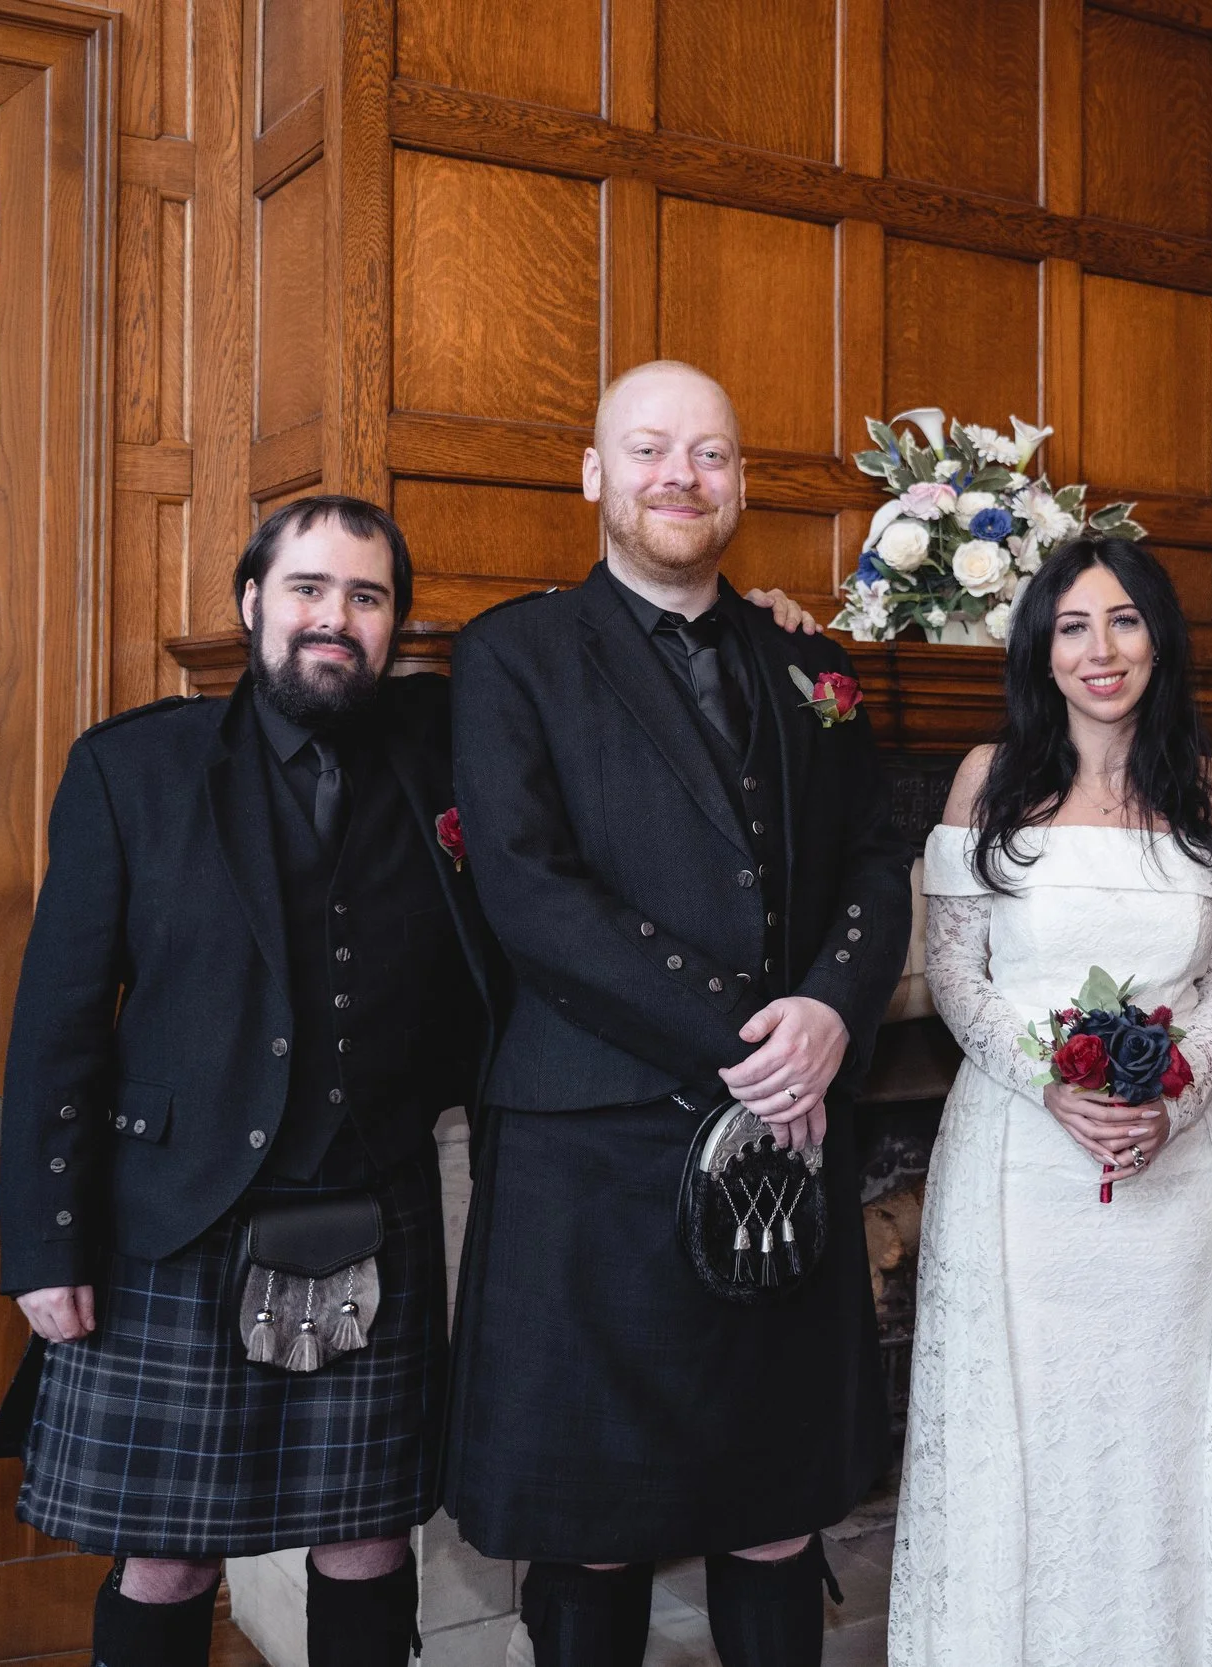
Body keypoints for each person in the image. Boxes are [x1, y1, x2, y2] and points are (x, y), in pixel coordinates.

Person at [443, 359, 911, 1667]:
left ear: (740, 482)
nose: (680, 476)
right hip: (590, 1145)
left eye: (709, 453)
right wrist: (759, 1033)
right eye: (649, 449)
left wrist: (832, 1005)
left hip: (790, 1139)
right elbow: (531, 892)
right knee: (589, 1519)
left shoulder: (813, 660)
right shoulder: (511, 654)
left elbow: (878, 855)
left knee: (775, 1510)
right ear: (596, 475)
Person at [0, 496, 497, 1667]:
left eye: (366, 597)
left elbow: (567, 650)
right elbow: (59, 1024)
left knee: (371, 1536)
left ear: (395, 625)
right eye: (310, 589)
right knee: (168, 1549)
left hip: (376, 1200)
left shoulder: (437, 749)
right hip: (177, 1218)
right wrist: (46, 1243)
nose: (336, 617)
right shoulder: (134, 767)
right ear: (251, 603)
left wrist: (763, 614)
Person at [889, 539, 1212, 1667]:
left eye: (1123, 621)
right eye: (1072, 626)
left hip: (1177, 1175)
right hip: (1021, 1171)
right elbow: (958, 974)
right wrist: (1053, 1085)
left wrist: (1173, 1094)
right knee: (1030, 1441)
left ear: (1158, 637)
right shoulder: (989, 777)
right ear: (1040, 647)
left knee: (1165, 1438)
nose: (1100, 649)